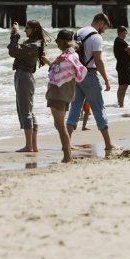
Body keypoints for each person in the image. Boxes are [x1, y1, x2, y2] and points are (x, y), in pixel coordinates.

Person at [67, 14, 114, 155]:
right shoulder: (96, 37)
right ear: (100, 23)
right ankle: (108, 144)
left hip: (76, 75)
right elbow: (98, 61)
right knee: (99, 107)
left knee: (74, 109)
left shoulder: (78, 32)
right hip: (89, 74)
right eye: (104, 27)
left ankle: (67, 143)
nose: (103, 31)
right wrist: (106, 79)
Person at [46, 29, 86, 163]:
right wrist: (49, 61)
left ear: (62, 42)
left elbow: (55, 74)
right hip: (67, 93)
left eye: (57, 41)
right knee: (59, 125)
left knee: (60, 126)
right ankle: (67, 154)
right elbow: (64, 71)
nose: (57, 44)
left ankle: (67, 157)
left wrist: (53, 64)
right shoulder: (72, 56)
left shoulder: (64, 57)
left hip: (58, 93)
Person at [8, 20, 48, 153]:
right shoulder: (34, 43)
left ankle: (28, 146)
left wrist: (16, 33)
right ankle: (33, 146)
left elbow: (13, 50)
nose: (25, 31)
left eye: (27, 28)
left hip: (24, 77)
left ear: (34, 29)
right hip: (24, 76)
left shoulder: (33, 45)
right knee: (28, 111)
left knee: (26, 112)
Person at [113, 26, 130, 108]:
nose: (126, 35)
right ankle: (120, 103)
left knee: (123, 85)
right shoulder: (120, 41)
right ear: (122, 32)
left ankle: (120, 103)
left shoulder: (119, 41)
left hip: (123, 66)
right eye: (125, 33)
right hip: (123, 66)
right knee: (123, 85)